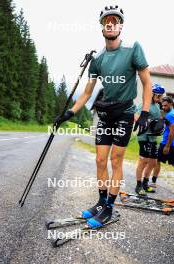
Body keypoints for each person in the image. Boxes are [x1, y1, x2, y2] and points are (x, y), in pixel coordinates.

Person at [55, 5, 151, 228]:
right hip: (106, 114)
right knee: (100, 160)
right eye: (106, 21)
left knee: (115, 160)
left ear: (120, 26)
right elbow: (87, 92)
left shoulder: (133, 48)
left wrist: (144, 112)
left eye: (114, 20)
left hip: (125, 114)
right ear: (102, 26)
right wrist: (69, 113)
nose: (110, 23)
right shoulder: (97, 59)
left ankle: (109, 207)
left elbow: (147, 82)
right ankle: (101, 202)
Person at [135, 84, 165, 195]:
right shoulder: (144, 104)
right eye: (159, 96)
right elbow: (136, 116)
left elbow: (157, 119)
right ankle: (138, 186)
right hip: (144, 136)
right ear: (153, 94)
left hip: (153, 138)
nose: (161, 98)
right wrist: (147, 121)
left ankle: (145, 184)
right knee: (144, 161)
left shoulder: (157, 106)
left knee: (153, 162)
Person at [158, 96, 174, 166]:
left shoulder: (170, 115)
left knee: (156, 161)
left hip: (168, 143)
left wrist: (167, 146)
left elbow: (172, 131)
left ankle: (153, 177)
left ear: (171, 104)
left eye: (165, 105)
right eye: (163, 105)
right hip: (167, 142)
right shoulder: (169, 113)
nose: (163, 107)